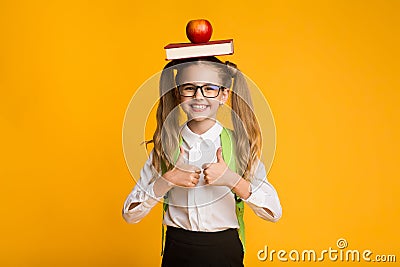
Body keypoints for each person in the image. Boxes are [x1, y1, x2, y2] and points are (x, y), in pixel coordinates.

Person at [122, 56, 282, 267]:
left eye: (209, 88)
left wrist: (231, 179)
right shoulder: (165, 147)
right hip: (177, 250)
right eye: (189, 88)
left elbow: (274, 212)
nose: (199, 96)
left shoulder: (240, 146)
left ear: (224, 95)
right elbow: (130, 214)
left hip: (225, 251)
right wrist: (167, 180)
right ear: (179, 93)